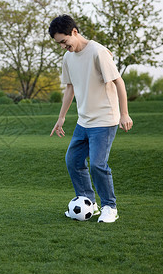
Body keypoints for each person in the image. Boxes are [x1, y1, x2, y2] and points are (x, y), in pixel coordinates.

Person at [48, 15, 133, 223]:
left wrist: (124, 113)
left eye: (63, 41)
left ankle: (110, 207)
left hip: (104, 120)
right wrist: (61, 117)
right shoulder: (68, 58)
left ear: (74, 32)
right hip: (83, 121)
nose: (62, 46)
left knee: (97, 164)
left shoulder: (98, 52)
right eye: (58, 43)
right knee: (73, 160)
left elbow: (118, 82)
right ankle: (88, 202)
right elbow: (70, 88)